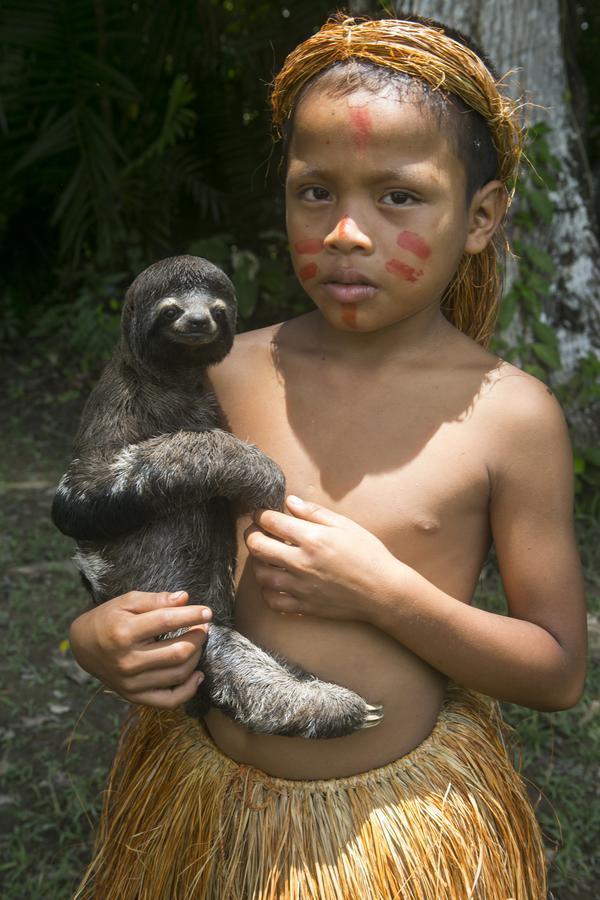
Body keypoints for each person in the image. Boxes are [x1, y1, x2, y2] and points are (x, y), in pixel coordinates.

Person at [69, 13, 587, 899]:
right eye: (317, 192)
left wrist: (383, 595)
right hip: (204, 821)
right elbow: (118, 541)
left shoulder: (511, 416)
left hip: (395, 832)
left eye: (397, 197)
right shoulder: (221, 373)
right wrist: (96, 639)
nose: (347, 231)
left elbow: (557, 670)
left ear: (482, 215)